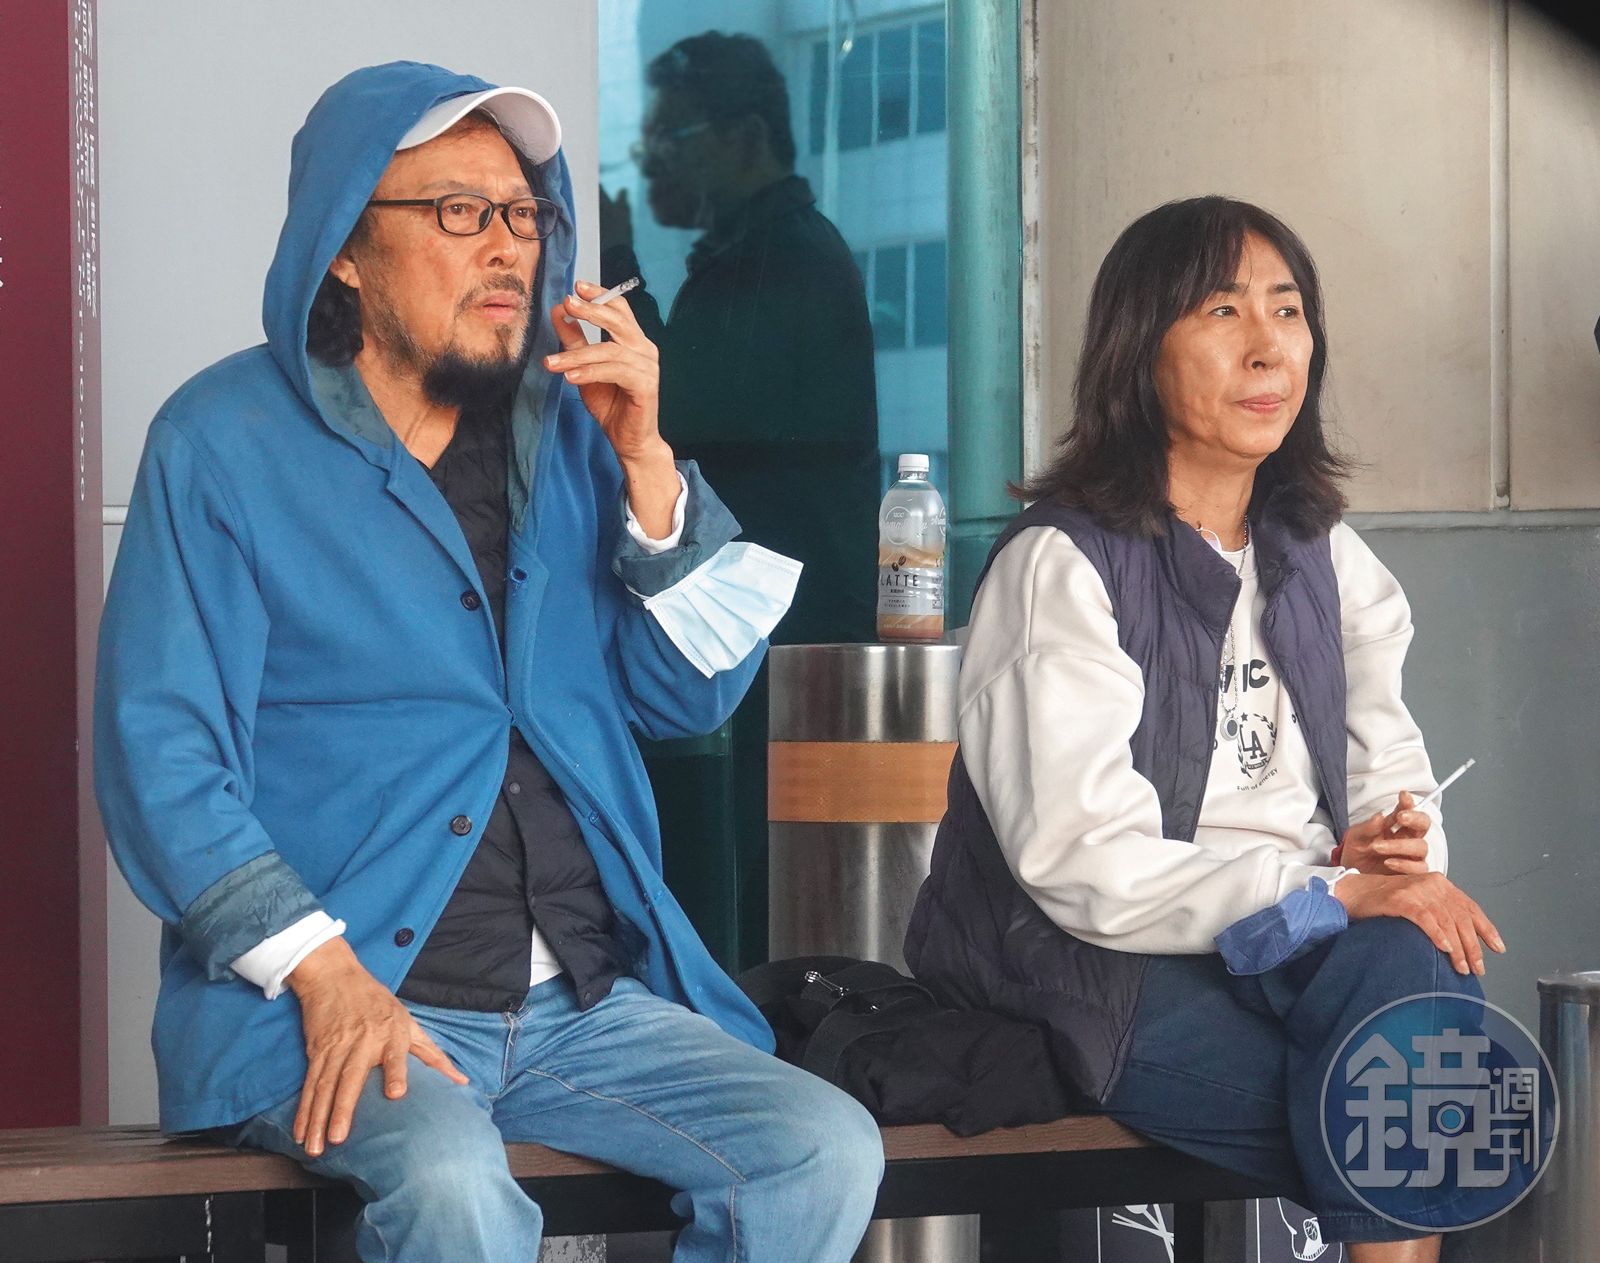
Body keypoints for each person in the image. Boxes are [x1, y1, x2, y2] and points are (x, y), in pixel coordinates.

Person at [94, 61, 882, 1263]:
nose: (508, 245)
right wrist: (323, 972)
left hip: (584, 1004)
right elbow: (163, 757)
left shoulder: (569, 435)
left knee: (819, 1148)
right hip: (347, 998)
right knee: (455, 1185)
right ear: (343, 249)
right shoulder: (219, 441)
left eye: (522, 213)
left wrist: (649, 467)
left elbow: (684, 699)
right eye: (459, 212)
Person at [905, 196, 1507, 1258]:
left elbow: (1387, 758)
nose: (1267, 345)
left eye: (1287, 309)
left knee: (1415, 979)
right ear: (1140, 349)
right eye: (1224, 311)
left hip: (1289, 938)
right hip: (1091, 959)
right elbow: (1082, 862)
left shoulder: (1324, 552)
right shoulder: (1062, 565)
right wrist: (1323, 890)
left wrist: (1397, 849)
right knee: (1415, 1113)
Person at [600, 30, 880, 647]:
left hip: (790, 631)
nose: (650, 162)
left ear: (747, 137)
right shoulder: (758, 250)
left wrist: (613, 259)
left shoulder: (786, 257)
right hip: (771, 617)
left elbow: (674, 407)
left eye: (671, 138)